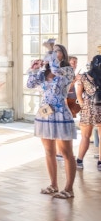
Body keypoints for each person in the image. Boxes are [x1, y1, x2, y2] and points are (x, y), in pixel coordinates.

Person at [27, 39, 76, 199]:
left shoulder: (67, 70)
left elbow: (55, 68)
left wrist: (49, 51)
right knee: (49, 152)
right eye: (52, 51)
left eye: (57, 51)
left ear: (63, 55)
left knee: (66, 152)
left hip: (61, 114)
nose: (54, 53)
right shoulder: (43, 73)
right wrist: (33, 70)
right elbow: (30, 84)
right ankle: (53, 185)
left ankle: (69, 188)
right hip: (44, 114)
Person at [74, 55, 101, 170]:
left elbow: (79, 95)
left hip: (88, 109)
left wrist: (83, 106)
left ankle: (79, 161)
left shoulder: (84, 77)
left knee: (85, 136)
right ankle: (100, 163)